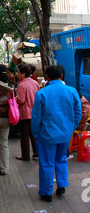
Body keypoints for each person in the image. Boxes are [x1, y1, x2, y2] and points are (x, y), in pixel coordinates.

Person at [31, 64, 82, 202]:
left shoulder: (41, 93)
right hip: (65, 134)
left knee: (47, 163)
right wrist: (71, 128)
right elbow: (78, 113)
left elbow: (36, 118)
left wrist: (36, 133)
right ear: (62, 76)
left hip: (47, 135)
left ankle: (46, 192)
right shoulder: (72, 91)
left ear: (47, 77)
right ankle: (62, 185)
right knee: (61, 160)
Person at [15, 64, 40, 161]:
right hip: (34, 113)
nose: (18, 75)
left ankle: (25, 155)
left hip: (25, 114)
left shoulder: (22, 85)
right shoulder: (35, 83)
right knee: (33, 134)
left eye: (19, 72)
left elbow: (20, 100)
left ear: (23, 73)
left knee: (24, 135)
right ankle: (36, 151)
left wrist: (14, 99)